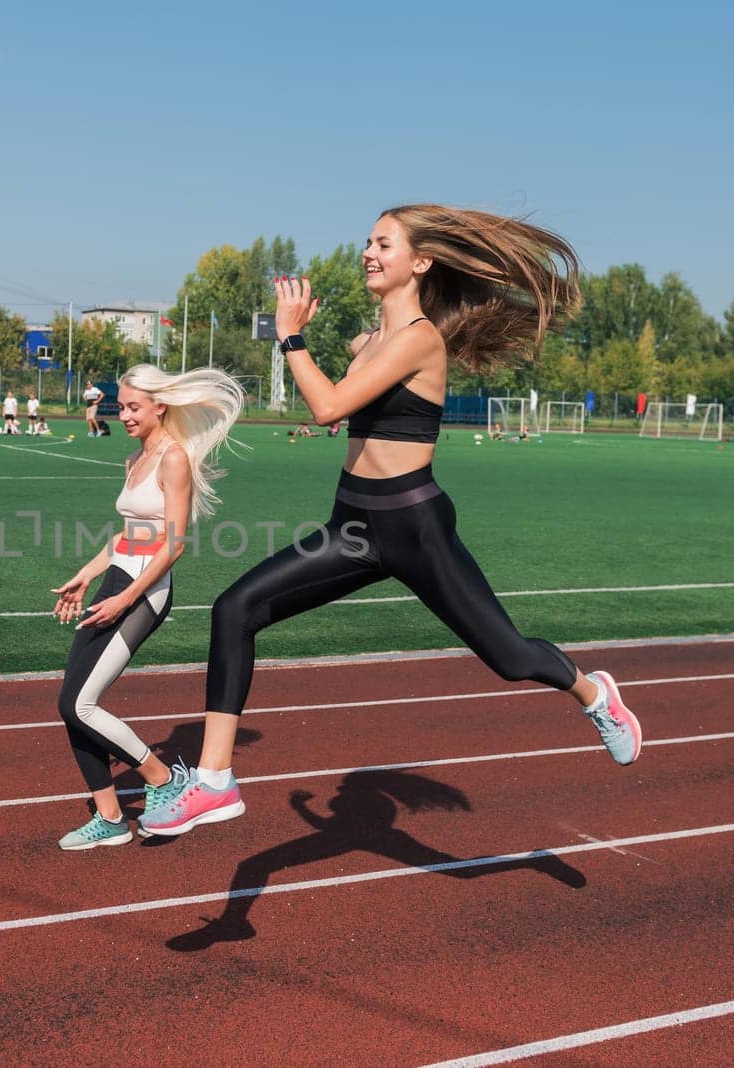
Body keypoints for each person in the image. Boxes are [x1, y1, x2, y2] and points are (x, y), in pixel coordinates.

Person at [140, 205, 643, 840]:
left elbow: (326, 408)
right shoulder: (368, 344)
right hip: (353, 526)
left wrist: (291, 336)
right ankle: (215, 780)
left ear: (421, 262)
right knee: (234, 609)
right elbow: (340, 397)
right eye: (368, 242)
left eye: (384, 243)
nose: (369, 253)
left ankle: (594, 694)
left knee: (511, 658)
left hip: (414, 528)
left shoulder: (420, 339)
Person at [50, 364, 245, 849]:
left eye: (134, 406)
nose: (124, 414)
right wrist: (86, 575)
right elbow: (127, 535)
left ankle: (162, 779)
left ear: (161, 405)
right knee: (69, 704)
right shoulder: (136, 457)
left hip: (146, 591)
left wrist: (127, 598)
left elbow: (174, 543)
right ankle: (112, 818)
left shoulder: (173, 458)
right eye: (121, 405)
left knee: (81, 702)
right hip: (118, 577)